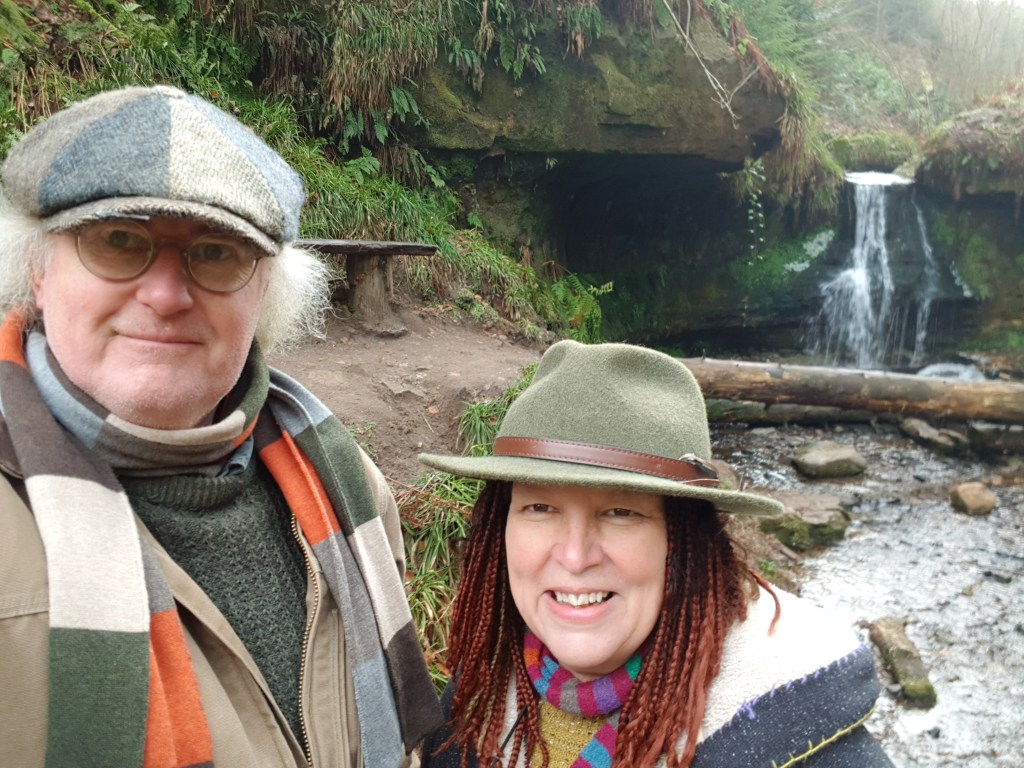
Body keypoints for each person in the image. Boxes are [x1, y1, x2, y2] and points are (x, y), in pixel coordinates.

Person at [0, 84, 440, 768]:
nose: (166, 295)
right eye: (117, 240)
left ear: (265, 292)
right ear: (37, 267)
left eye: (215, 252)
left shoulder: (347, 484)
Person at [417, 340, 894, 768]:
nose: (575, 556)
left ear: (685, 542)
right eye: (540, 508)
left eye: (621, 512)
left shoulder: (805, 743)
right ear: (498, 528)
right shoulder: (476, 695)